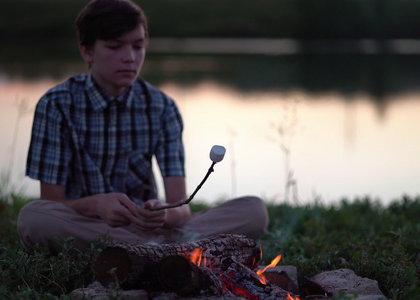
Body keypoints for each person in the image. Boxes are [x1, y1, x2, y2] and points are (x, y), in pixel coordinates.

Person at [17, 0, 268, 254]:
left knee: (254, 210)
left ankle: (149, 250)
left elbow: (181, 208)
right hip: (85, 227)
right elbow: (52, 203)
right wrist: (96, 206)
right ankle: (165, 251)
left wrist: (162, 213)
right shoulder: (56, 104)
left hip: (153, 230)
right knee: (34, 217)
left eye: (138, 46)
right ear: (87, 51)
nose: (130, 58)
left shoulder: (162, 107)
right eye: (115, 47)